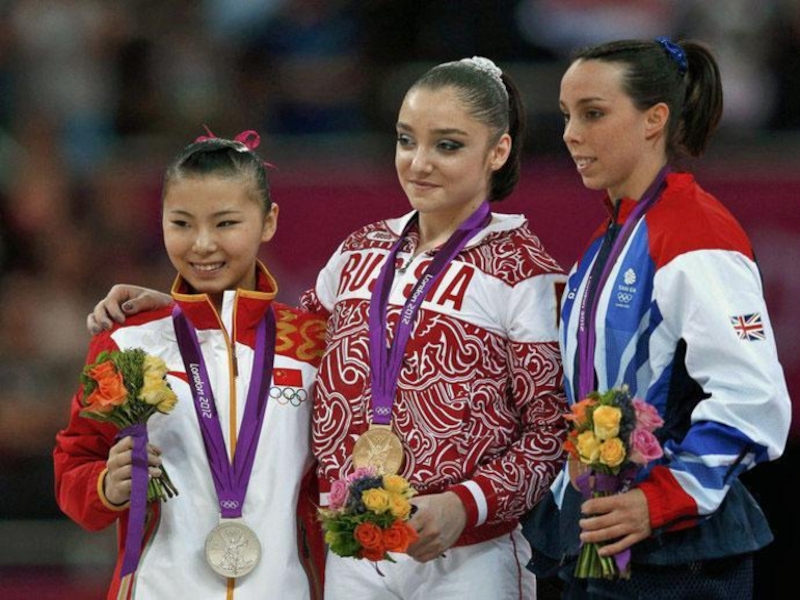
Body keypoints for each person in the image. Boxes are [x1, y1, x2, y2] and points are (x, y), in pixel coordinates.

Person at [87, 56, 569, 599]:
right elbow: (283, 341)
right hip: (353, 551)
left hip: (466, 554)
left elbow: (551, 433)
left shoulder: (524, 273)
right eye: (406, 140)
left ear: (497, 151)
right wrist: (195, 310)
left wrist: (467, 504)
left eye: (448, 145)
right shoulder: (359, 252)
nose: (419, 163)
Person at [523, 38, 792, 599]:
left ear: (655, 119)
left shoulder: (695, 233)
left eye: (593, 113)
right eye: (568, 114)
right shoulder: (608, 239)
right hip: (602, 538)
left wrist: (659, 498)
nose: (571, 133)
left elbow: (755, 400)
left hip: (674, 554)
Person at [55, 131, 326, 600]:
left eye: (226, 223)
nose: (202, 244)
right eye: (181, 223)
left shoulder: (313, 346)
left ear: (268, 222)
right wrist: (106, 486)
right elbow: (73, 467)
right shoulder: (127, 342)